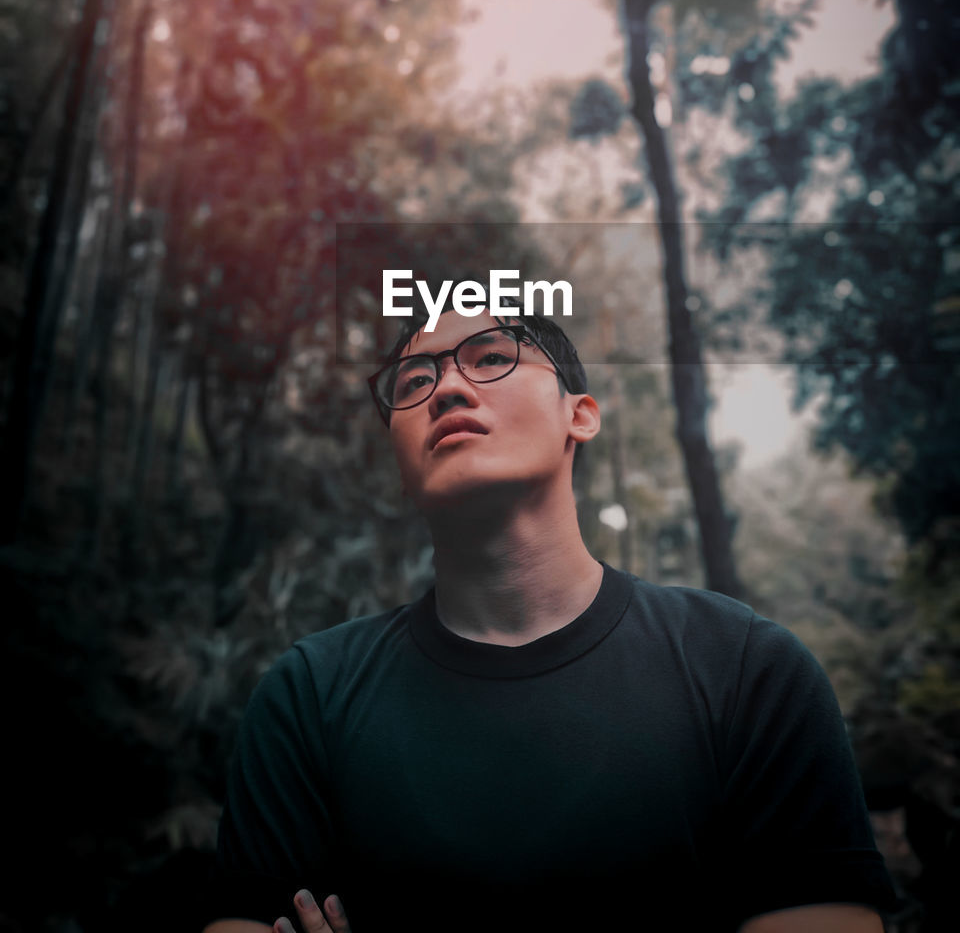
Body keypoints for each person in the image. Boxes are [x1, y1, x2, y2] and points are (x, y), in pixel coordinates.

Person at [203, 305, 896, 933]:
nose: (445, 389)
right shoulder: (309, 697)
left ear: (581, 415)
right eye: (413, 381)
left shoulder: (749, 672)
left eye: (491, 357)